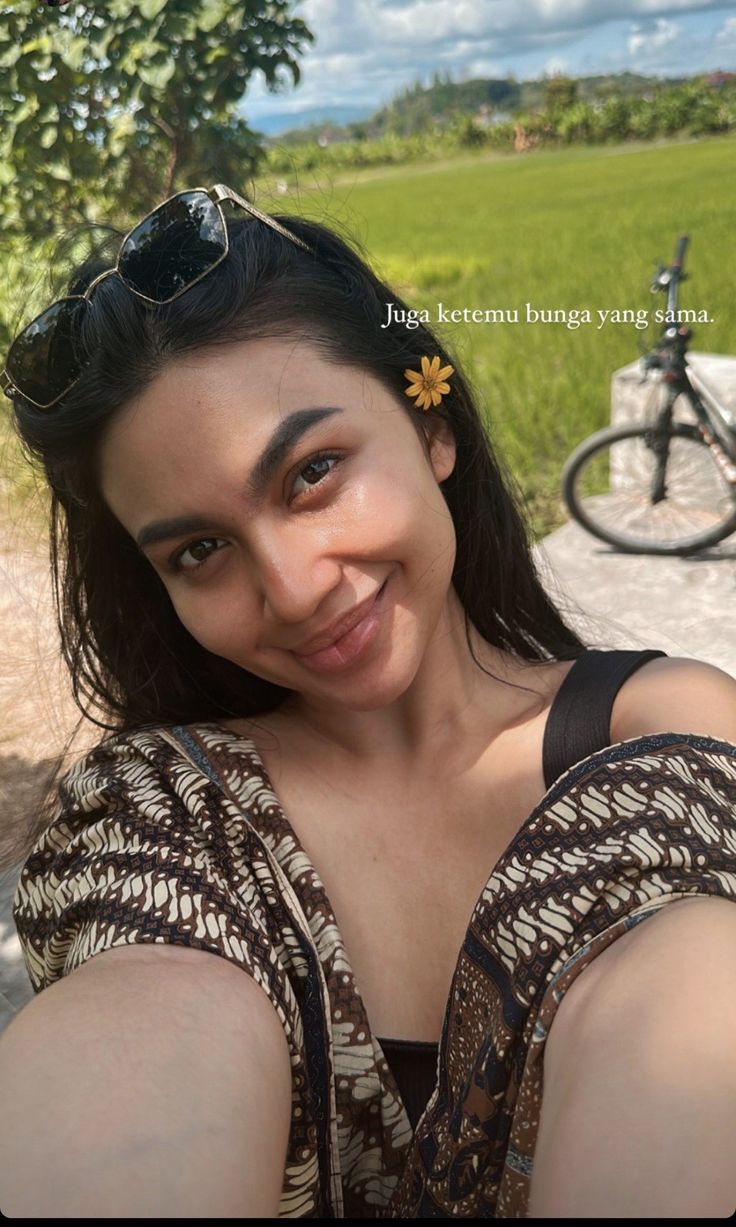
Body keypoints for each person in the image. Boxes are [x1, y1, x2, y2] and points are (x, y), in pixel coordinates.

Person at [0, 183, 735, 1218]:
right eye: (200, 549)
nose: (295, 588)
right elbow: (139, 1023)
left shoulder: (664, 730)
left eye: (312, 472)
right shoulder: (168, 820)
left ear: (430, 427)